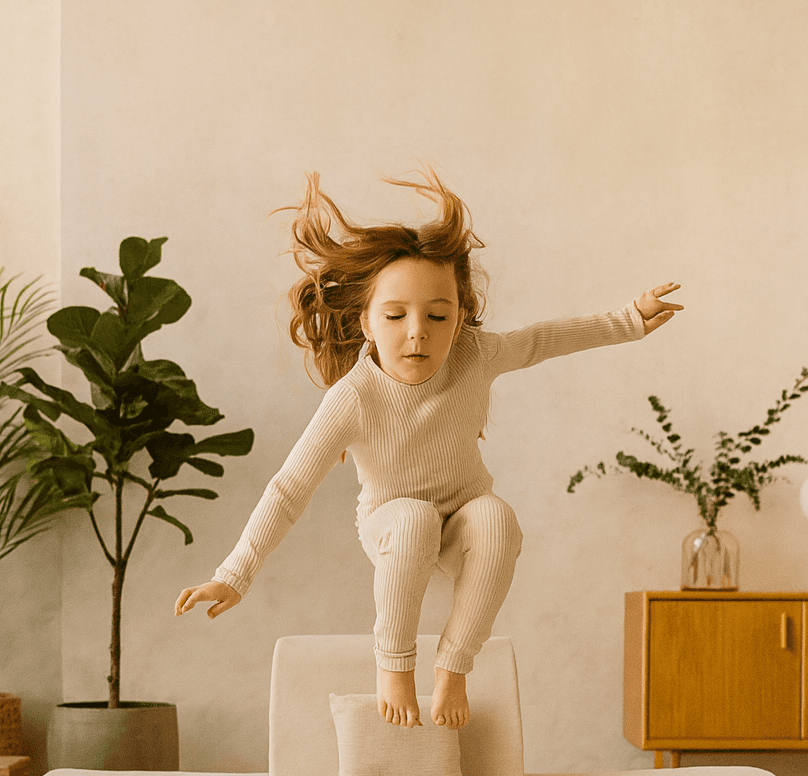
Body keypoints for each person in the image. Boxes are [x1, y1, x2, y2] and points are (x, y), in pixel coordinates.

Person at [175, 170, 681, 730]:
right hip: (390, 523)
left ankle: (453, 667)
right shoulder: (353, 398)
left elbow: (540, 340)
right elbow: (289, 488)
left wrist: (629, 320)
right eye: (395, 316)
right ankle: (393, 664)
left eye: (437, 316)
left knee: (497, 518)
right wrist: (234, 574)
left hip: (462, 517)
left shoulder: (474, 354)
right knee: (414, 519)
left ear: (458, 319)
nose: (417, 332)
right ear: (367, 323)